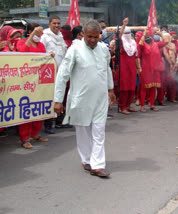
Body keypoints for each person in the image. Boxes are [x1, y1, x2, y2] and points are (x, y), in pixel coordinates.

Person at [54, 20, 115, 178]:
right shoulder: (75, 50)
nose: (93, 40)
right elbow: (62, 76)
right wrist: (58, 100)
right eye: (89, 37)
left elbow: (107, 70)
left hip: (100, 99)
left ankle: (97, 165)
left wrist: (110, 89)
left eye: (96, 37)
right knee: (83, 133)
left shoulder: (103, 49)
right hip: (80, 100)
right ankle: (86, 159)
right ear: (83, 35)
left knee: (99, 132)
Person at [16, 23, 49, 149]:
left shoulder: (41, 45)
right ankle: (24, 138)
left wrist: (49, 57)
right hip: (25, 81)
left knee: (38, 108)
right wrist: (32, 36)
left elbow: (43, 60)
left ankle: (34, 134)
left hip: (38, 81)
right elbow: (22, 52)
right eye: (37, 32)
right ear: (30, 31)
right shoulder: (22, 42)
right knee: (27, 109)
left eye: (41, 32)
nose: (40, 35)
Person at [41, 15, 68, 134]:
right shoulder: (45, 37)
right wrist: (47, 54)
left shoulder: (60, 37)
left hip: (60, 72)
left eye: (58, 23)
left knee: (60, 96)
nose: (56, 26)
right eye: (54, 23)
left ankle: (59, 121)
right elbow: (39, 53)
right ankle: (48, 124)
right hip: (48, 74)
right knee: (49, 98)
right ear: (49, 24)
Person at [136, 29, 166, 112]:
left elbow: (166, 42)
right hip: (146, 69)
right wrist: (144, 34)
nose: (148, 37)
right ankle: (142, 106)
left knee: (153, 88)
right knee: (144, 88)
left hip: (155, 69)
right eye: (147, 36)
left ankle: (151, 104)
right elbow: (140, 44)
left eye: (150, 36)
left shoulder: (156, 44)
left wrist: (161, 34)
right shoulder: (143, 45)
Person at [118, 18, 138, 115]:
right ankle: (122, 107)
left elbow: (136, 56)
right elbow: (120, 36)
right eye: (126, 33)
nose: (127, 35)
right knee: (124, 88)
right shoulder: (121, 43)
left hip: (132, 68)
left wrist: (138, 67)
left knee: (131, 87)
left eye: (129, 33)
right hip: (124, 67)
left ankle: (128, 105)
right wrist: (123, 25)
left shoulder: (133, 43)